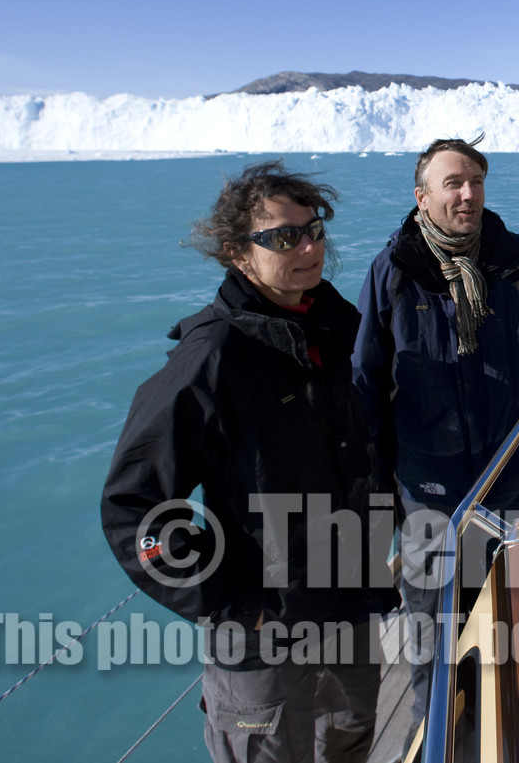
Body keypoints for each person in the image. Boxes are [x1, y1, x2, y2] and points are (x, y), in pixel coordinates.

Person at [102, 161, 396, 763]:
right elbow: (133, 507)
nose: (310, 248)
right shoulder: (213, 355)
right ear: (239, 254)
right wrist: (232, 605)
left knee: (352, 730)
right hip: (264, 631)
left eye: (314, 230)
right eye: (284, 237)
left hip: (347, 599)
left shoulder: (331, 326)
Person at [354, 137, 519, 731]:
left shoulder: (508, 257)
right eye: (452, 183)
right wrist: (374, 493)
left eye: (475, 182)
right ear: (422, 197)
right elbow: (366, 383)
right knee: (434, 626)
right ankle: (440, 729)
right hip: (429, 484)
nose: (468, 194)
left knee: (514, 599)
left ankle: (517, 714)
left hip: (507, 470)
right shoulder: (394, 272)